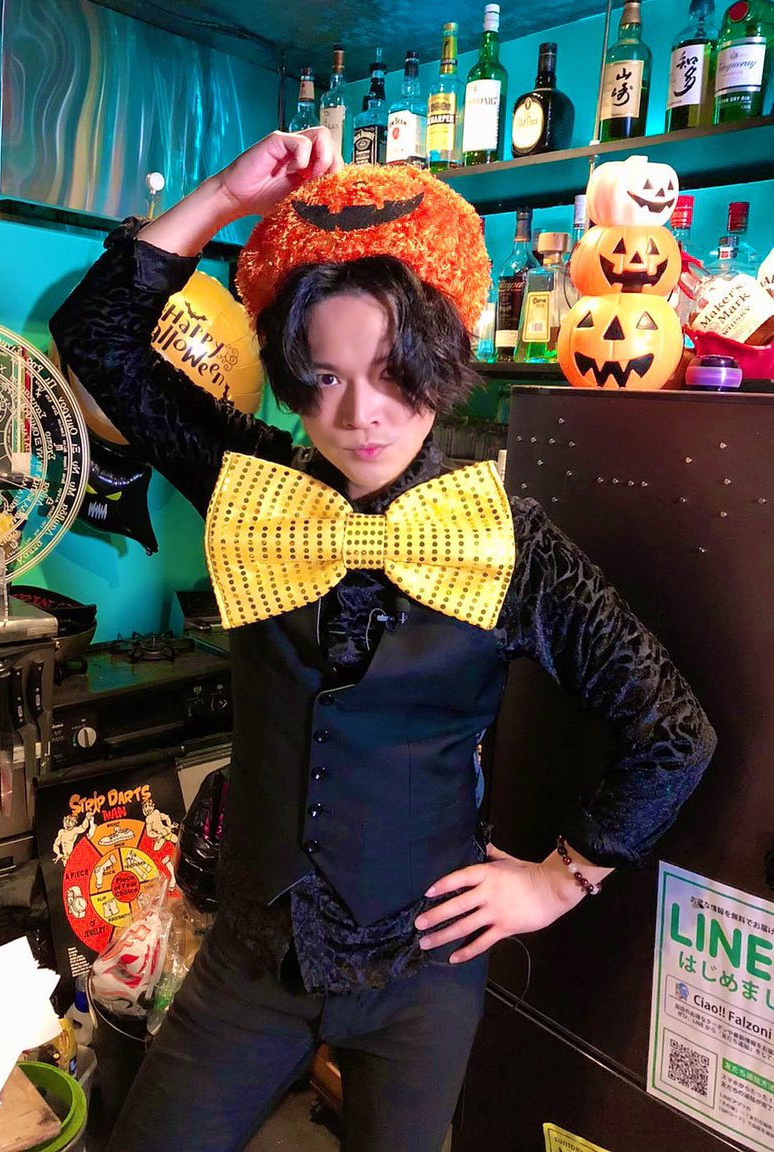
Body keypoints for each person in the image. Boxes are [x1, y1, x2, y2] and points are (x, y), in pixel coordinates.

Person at [50, 128, 716, 1152]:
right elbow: (96, 337)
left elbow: (674, 732)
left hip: (425, 975)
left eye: (392, 370)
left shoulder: (508, 542)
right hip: (250, 962)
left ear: (439, 360)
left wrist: (560, 878)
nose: (360, 414)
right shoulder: (248, 485)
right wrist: (223, 197)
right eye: (323, 378)